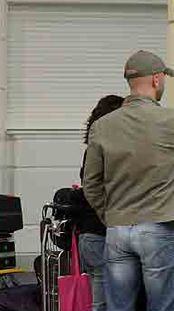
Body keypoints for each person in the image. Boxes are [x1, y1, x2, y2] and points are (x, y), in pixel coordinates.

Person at [83, 50, 174, 311]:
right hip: (159, 227)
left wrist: (110, 215)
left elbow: (91, 183)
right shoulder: (169, 121)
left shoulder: (103, 125)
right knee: (161, 306)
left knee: (119, 306)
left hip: (117, 230)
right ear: (157, 79)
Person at [79, 95, 124, 311]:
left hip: (90, 235)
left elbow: (90, 186)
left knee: (101, 301)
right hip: (102, 233)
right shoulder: (109, 152)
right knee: (103, 303)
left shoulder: (92, 151)